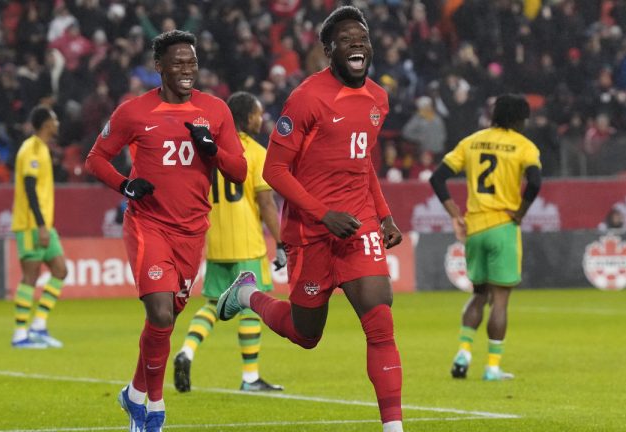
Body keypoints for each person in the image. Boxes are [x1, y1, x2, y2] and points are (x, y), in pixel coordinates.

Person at [214, 8, 404, 432]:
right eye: (346, 39)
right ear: (328, 50)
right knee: (306, 334)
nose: (357, 44)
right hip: (310, 230)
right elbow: (274, 170)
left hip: (358, 226)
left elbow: (363, 162)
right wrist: (322, 214)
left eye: (363, 38)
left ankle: (394, 428)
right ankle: (247, 295)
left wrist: (384, 214)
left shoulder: (378, 98)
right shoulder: (306, 98)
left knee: (380, 316)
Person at [84, 30, 247, 432]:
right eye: (178, 62)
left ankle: (134, 392)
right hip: (148, 224)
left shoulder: (216, 110)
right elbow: (95, 159)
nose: (187, 69)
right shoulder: (133, 112)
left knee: (167, 320)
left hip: (193, 231)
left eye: (191, 62)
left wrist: (213, 150)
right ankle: (152, 410)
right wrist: (125, 185)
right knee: (159, 313)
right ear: (159, 67)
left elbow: (240, 171)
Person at [173, 92, 285, 394]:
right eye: (258, 113)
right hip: (247, 242)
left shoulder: (210, 151)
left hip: (217, 242)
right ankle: (250, 377)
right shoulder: (255, 152)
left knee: (212, 305)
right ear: (247, 117)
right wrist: (281, 241)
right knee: (251, 307)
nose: (261, 119)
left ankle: (186, 351)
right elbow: (267, 204)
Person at [429, 94, 542, 381]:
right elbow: (535, 182)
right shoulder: (524, 146)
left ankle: (463, 352)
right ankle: (492, 367)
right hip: (503, 226)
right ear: (518, 119)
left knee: (479, 294)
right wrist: (521, 212)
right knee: (500, 301)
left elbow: (437, 178)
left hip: (475, 228)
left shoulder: (472, 141)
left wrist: (456, 214)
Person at [10, 106, 68, 349]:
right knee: (31, 277)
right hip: (31, 225)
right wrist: (42, 226)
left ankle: (38, 325)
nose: (57, 123)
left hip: (44, 224)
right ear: (46, 123)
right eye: (54, 119)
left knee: (60, 271)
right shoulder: (31, 148)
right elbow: (30, 188)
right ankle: (20, 334)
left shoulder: (42, 148)